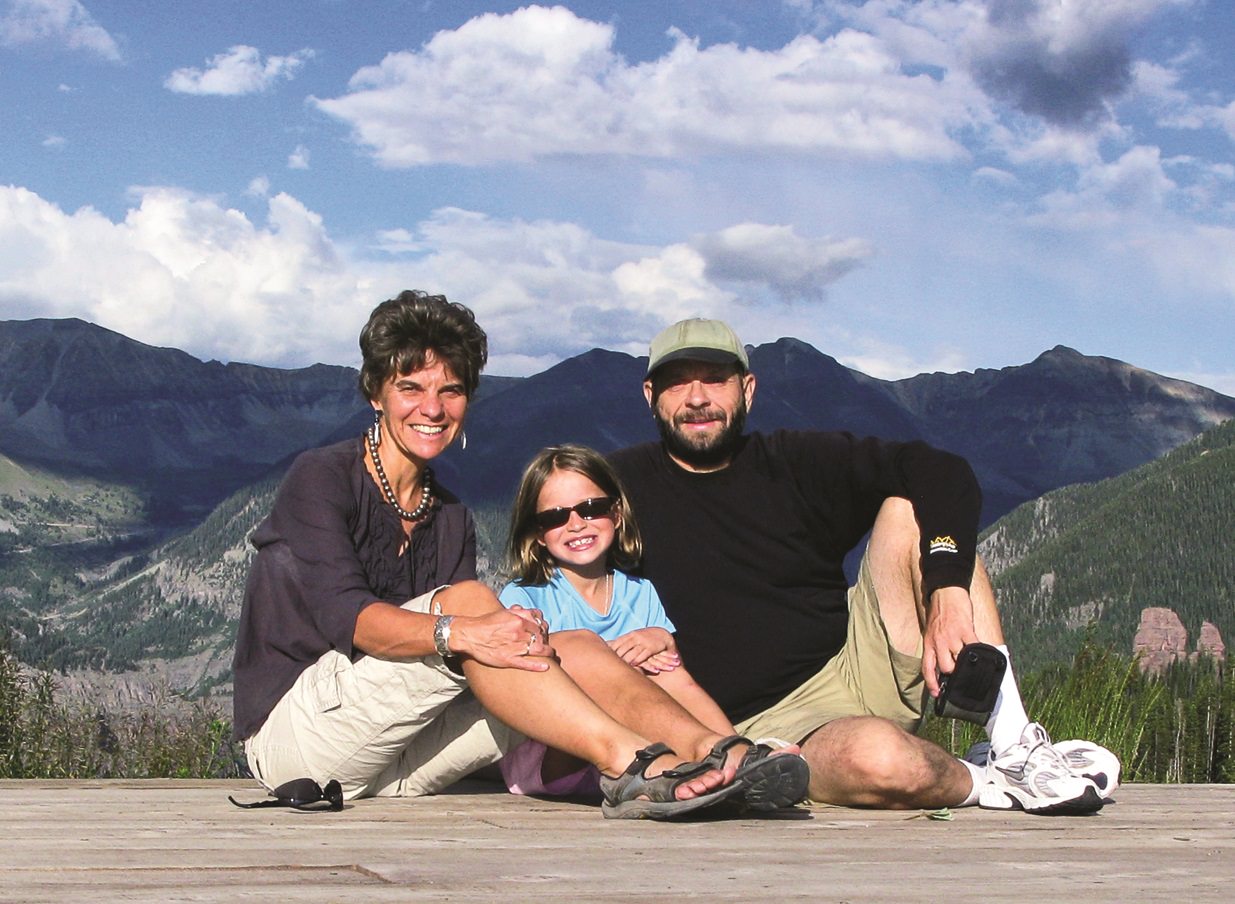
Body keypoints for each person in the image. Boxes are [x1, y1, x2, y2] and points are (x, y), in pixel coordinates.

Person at [231, 292, 768, 821]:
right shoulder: (322, 477)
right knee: (472, 603)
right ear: (376, 392)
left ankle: (723, 753)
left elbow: (486, 662)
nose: (433, 408)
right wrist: (461, 630)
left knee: (570, 644)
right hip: (297, 745)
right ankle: (633, 765)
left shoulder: (450, 517)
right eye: (410, 387)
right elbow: (348, 617)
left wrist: (519, 634)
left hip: (394, 762)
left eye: (452, 390)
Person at [610, 318, 1121, 815]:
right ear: (650, 395)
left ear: (747, 390)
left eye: (715, 380)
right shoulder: (613, 491)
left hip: (858, 661)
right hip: (754, 728)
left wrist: (945, 591)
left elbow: (941, 470)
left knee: (911, 509)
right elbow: (543, 556)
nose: (697, 398)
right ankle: (987, 779)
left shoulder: (795, 461)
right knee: (880, 761)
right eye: (678, 383)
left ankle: (1014, 745)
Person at [496, 443, 808, 810]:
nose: (576, 524)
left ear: (616, 512)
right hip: (558, 753)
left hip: (647, 751)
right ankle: (721, 756)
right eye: (555, 517)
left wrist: (661, 640)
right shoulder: (526, 597)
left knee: (665, 665)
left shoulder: (639, 592)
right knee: (618, 659)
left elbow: (671, 677)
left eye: (592, 508)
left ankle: (734, 752)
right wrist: (608, 660)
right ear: (536, 532)